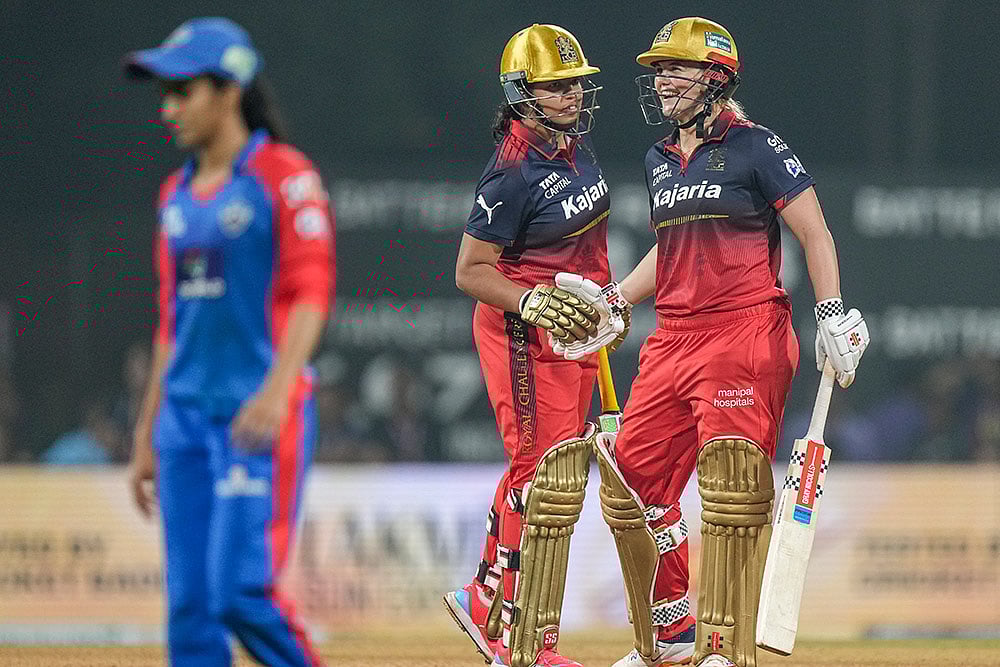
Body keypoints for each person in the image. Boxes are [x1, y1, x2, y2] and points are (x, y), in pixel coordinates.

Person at [554, 17, 869, 667]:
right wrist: (614, 298)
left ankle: (725, 645)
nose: (662, 79)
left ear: (716, 77)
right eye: (658, 69)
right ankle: (669, 637)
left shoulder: (756, 147)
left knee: (731, 490)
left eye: (677, 67)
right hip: (673, 339)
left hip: (745, 331)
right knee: (631, 488)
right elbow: (670, 249)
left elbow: (815, 233)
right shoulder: (659, 159)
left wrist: (832, 311)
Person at [124, 17, 334, 667]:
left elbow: (312, 288)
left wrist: (276, 394)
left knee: (239, 592)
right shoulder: (175, 196)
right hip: (183, 422)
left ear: (228, 89)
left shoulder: (282, 175)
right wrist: (146, 433)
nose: (169, 108)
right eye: (165, 92)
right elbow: (171, 321)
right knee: (190, 610)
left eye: (182, 90)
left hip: (254, 416)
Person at [443, 23, 622, 667]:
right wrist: (533, 302)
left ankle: (489, 601)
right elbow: (469, 270)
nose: (573, 95)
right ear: (521, 92)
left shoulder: (577, 147)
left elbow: (587, 248)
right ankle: (514, 633)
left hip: (573, 330)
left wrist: (601, 303)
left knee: (558, 478)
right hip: (522, 331)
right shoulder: (511, 174)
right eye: (556, 85)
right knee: (541, 477)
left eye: (577, 83)